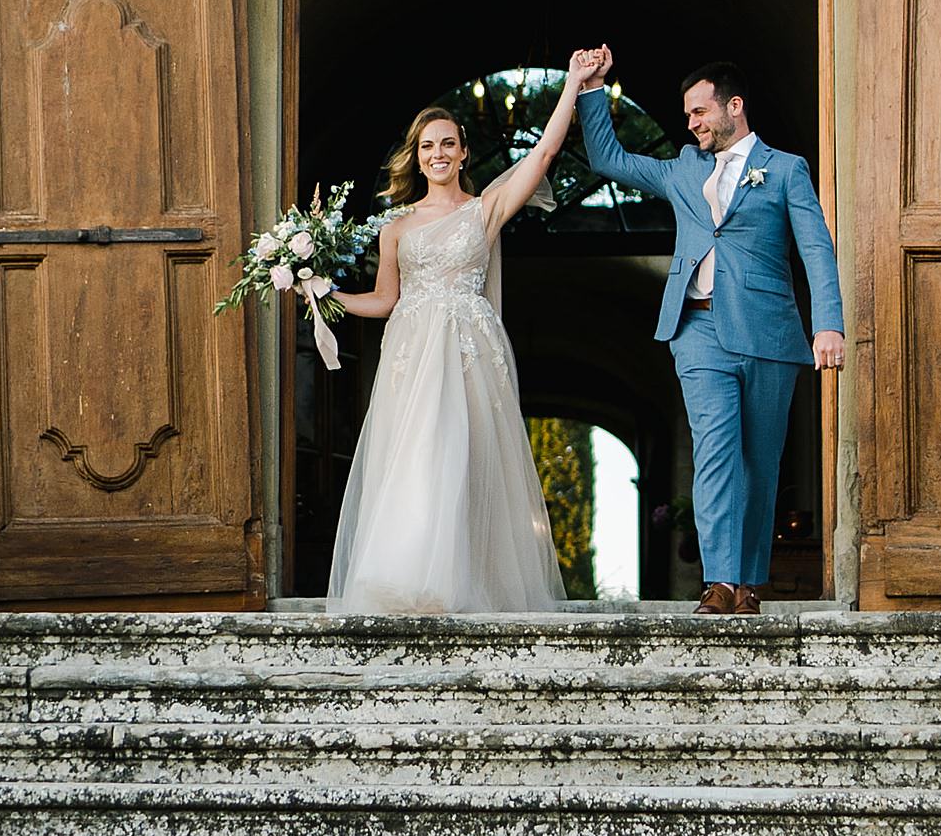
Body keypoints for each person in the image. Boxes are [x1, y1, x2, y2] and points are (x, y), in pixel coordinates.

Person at [323, 54, 602, 616]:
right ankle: (409, 581)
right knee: (418, 460)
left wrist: (573, 85)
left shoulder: (484, 212)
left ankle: (465, 584)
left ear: (464, 151)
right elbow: (385, 299)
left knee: (465, 461)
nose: (438, 154)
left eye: (447, 143)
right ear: (417, 156)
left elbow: (544, 153)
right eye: (428, 146)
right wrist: (326, 294)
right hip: (413, 356)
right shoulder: (396, 228)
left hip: (471, 353)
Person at [576, 48, 841, 616]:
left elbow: (816, 250)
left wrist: (828, 326)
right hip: (697, 330)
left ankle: (749, 583)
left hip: (769, 332)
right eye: (688, 114)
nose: (691, 123)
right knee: (717, 449)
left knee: (760, 461)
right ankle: (720, 582)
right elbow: (607, 158)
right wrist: (593, 89)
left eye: (700, 112)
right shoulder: (681, 170)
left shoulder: (787, 169)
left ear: (734, 107)